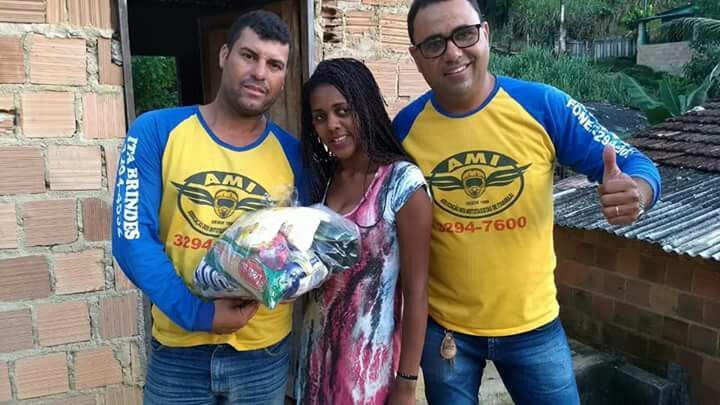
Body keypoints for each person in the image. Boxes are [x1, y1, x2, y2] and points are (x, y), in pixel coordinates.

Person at [392, 1, 662, 404]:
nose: (452, 52)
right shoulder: (404, 129)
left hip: (534, 327)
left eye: (464, 34)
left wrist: (637, 191)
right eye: (433, 44)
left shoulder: (544, 106)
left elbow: (636, 164)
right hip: (447, 332)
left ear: (485, 34)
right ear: (416, 58)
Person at [112, 10, 303, 405]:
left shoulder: (294, 154)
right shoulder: (156, 131)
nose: (260, 73)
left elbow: (306, 245)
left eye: (274, 65)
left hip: (263, 354)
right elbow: (132, 238)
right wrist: (198, 313)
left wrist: (292, 280)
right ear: (224, 55)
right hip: (179, 352)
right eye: (249, 56)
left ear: (284, 77)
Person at [295, 58, 433, 405]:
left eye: (343, 111)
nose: (332, 125)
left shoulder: (401, 184)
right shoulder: (322, 181)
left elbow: (417, 291)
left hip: (368, 371)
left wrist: (407, 383)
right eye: (320, 117)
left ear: (366, 106)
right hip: (314, 362)